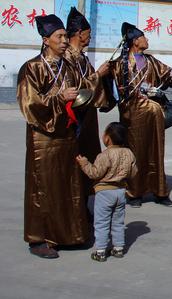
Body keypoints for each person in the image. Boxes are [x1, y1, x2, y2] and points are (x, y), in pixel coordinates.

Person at [17, 14, 102, 258]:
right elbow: (30, 104)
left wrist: (84, 94)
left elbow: (83, 93)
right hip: (43, 138)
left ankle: (70, 234)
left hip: (67, 134)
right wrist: (59, 98)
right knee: (43, 188)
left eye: (66, 36)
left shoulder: (69, 66)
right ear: (46, 40)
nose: (65, 41)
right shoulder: (32, 68)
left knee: (68, 185)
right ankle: (40, 239)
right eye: (60, 36)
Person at [104, 22, 172, 207]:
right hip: (133, 116)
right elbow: (111, 89)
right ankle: (135, 192)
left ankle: (160, 191)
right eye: (144, 37)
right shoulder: (120, 64)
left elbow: (166, 75)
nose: (147, 39)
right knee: (136, 152)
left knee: (156, 151)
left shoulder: (151, 61)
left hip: (154, 116)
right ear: (135, 41)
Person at [76, 122, 138, 262]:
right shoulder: (129, 153)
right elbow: (133, 173)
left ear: (108, 138)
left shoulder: (104, 155)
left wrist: (84, 163)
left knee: (101, 223)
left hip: (104, 192)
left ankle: (101, 250)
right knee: (118, 222)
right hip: (120, 192)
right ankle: (118, 248)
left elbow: (94, 173)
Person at [64, 7, 107, 166]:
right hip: (75, 112)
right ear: (80, 33)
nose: (91, 37)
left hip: (88, 111)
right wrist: (98, 75)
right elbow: (73, 85)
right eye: (89, 33)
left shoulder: (82, 57)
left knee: (88, 148)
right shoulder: (67, 56)